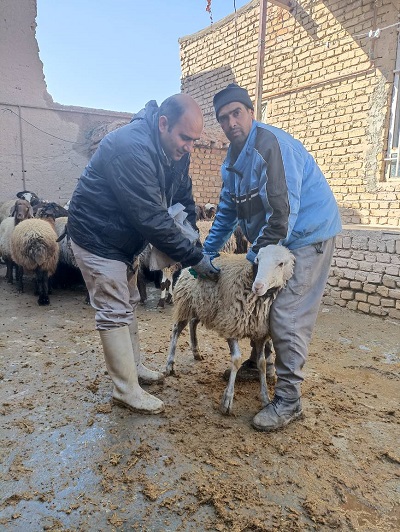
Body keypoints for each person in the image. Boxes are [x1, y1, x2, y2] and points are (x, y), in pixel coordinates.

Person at [67, 93, 220, 415]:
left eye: (194, 140)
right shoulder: (130, 148)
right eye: (185, 138)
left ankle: (133, 368)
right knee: (113, 308)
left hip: (123, 239)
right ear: (163, 124)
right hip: (97, 236)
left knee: (129, 302)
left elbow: (183, 197)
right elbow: (151, 218)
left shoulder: (175, 150)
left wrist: (193, 239)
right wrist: (195, 259)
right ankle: (125, 389)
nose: (189, 147)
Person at [203, 83, 342, 431]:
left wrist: (251, 259)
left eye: (237, 113)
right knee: (259, 300)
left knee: (286, 313)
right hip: (276, 240)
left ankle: (289, 400)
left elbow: (282, 216)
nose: (231, 122)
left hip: (307, 235)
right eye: (223, 118)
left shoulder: (271, 146)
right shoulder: (231, 162)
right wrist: (206, 253)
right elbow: (226, 211)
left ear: (251, 112)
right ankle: (256, 362)